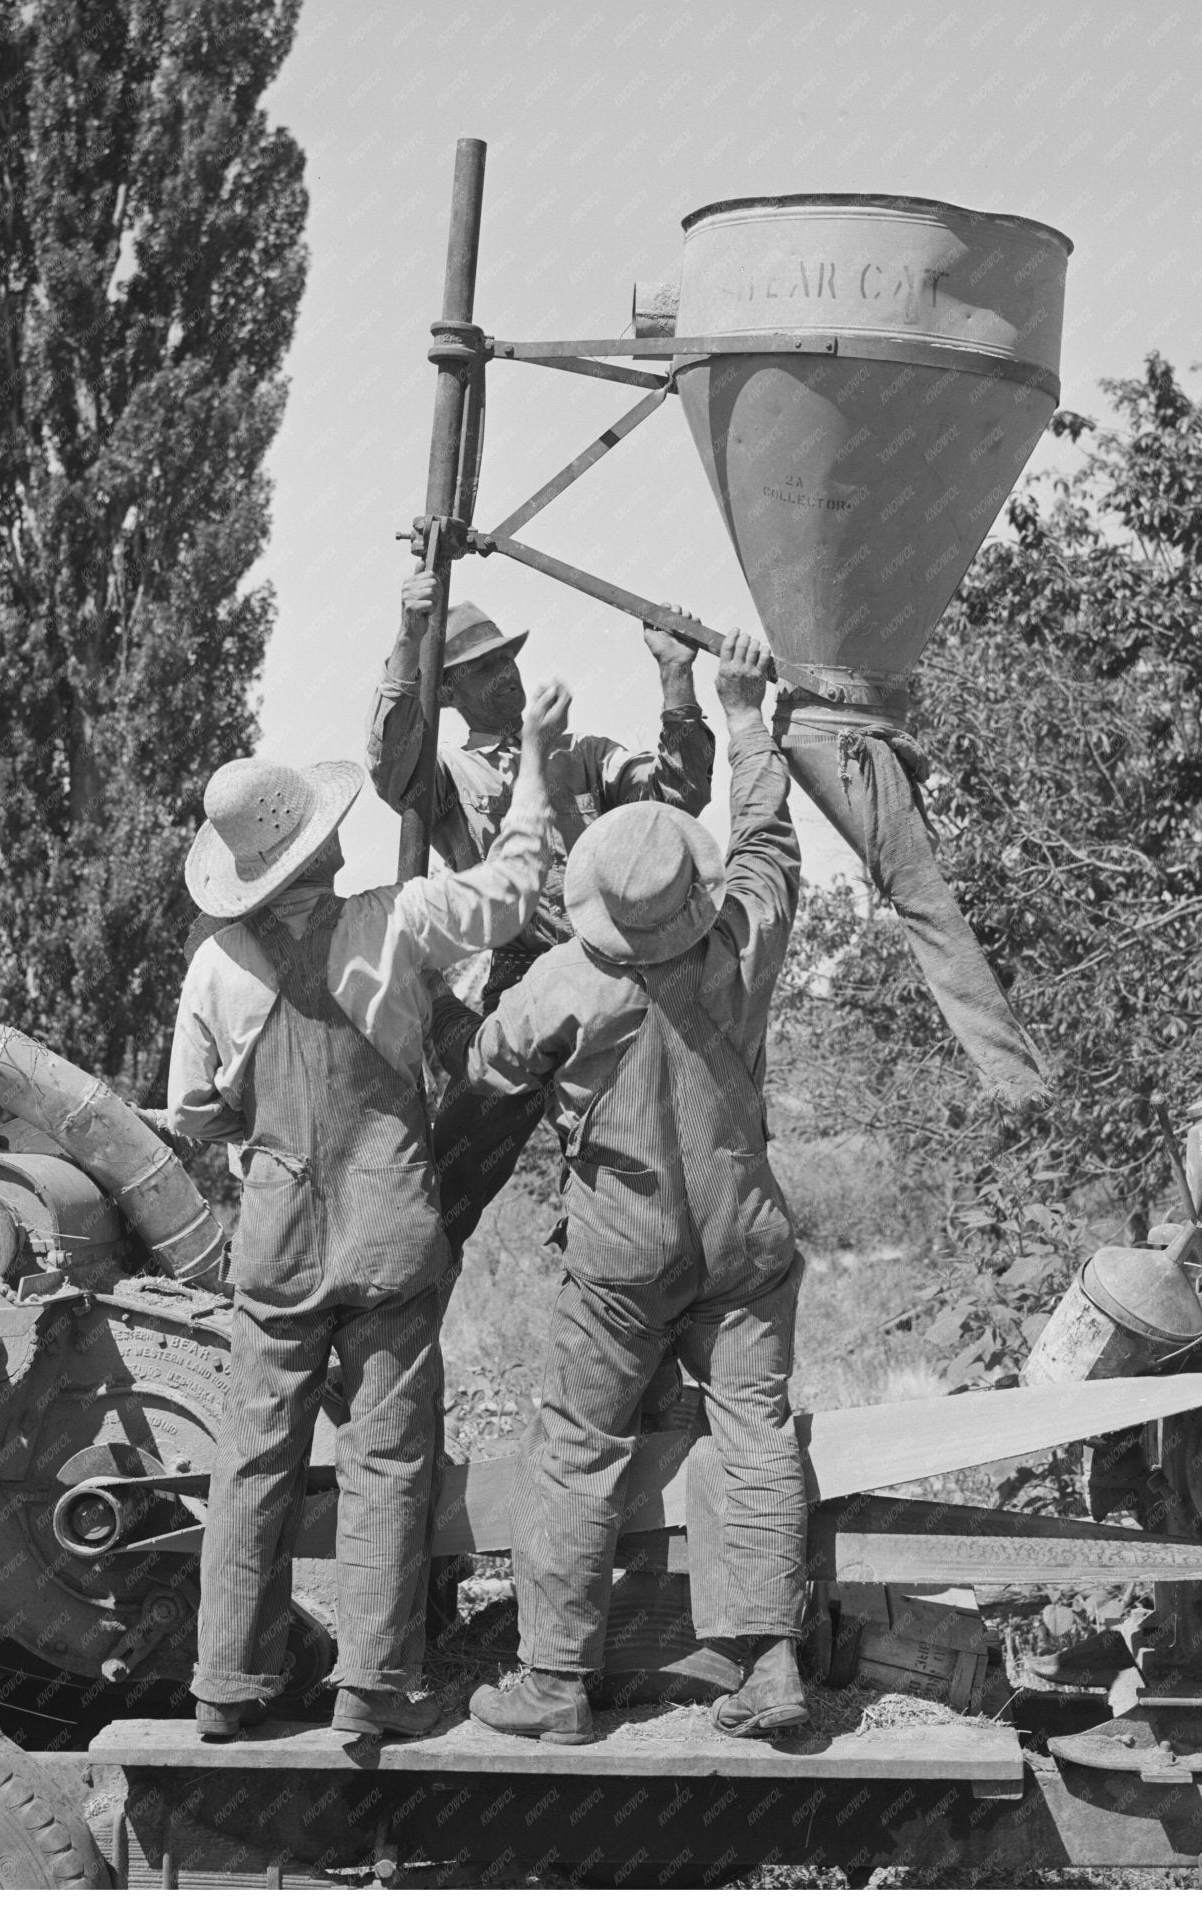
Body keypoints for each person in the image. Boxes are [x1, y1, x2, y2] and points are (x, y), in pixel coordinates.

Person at [165, 679, 568, 1743]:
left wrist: (253, 1116)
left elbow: (195, 1113)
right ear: (322, 846)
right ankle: (375, 1684)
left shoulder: (214, 964)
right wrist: (533, 752)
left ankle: (226, 1683)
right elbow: (519, 884)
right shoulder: (400, 919)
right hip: (392, 1222)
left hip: (279, 1234)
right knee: (388, 1453)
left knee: (254, 1455)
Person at [428, 631, 809, 1745]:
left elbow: (490, 1062)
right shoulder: (742, 937)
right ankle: (769, 1659)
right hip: (746, 1245)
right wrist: (740, 714)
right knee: (755, 1434)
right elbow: (771, 840)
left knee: (576, 1448)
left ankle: (554, 1681)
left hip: (620, 1259)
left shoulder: (567, 978)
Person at [366, 571, 715, 1256]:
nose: (504, 676)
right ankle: (400, 1282)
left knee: (649, 1155)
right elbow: (391, 762)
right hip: (523, 971)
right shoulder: (454, 777)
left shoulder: (587, 756)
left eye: (506, 660)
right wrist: (407, 643)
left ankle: (627, 1273)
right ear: (450, 694)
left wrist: (676, 677)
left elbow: (677, 799)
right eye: (482, 669)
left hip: (618, 969)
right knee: (455, 1167)